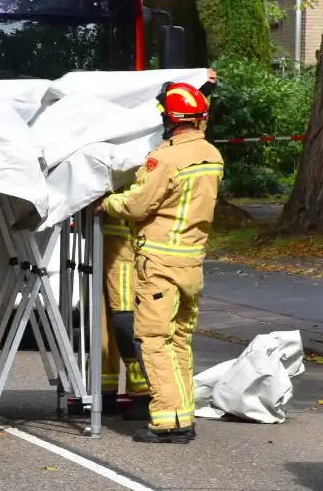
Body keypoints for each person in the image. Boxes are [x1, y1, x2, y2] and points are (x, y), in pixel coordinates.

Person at [97, 73, 222, 444]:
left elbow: (137, 204)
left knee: (153, 339)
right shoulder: (211, 156)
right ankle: (183, 417)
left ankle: (167, 421)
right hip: (192, 262)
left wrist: (105, 202)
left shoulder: (163, 160)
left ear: (170, 119)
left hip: (160, 263)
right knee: (180, 340)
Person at [99, 213, 151, 418]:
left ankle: (142, 393)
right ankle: (102, 391)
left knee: (125, 319)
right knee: (100, 323)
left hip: (127, 247)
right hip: (103, 244)